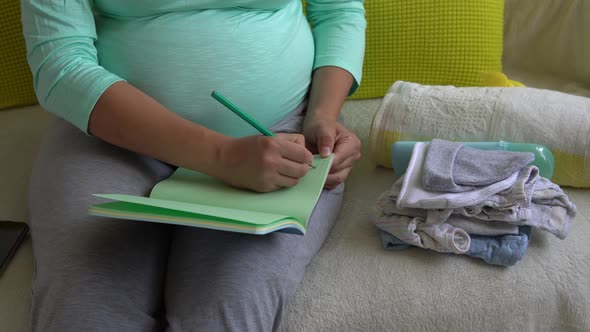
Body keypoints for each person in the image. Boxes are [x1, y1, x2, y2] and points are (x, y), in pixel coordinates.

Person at [21, 0, 365, 330]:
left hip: (279, 137)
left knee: (227, 307)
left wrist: (322, 115)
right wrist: (222, 156)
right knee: (85, 308)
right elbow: (60, 63)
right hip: (111, 139)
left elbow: (338, 8)